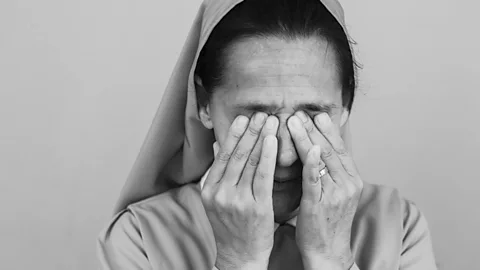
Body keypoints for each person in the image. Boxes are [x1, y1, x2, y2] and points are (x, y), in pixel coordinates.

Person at [97, 0, 438, 269]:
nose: (287, 155)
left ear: (345, 106)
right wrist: (239, 262)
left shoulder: (399, 226)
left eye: (311, 116)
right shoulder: (139, 237)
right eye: (258, 117)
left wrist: (331, 259)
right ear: (203, 104)